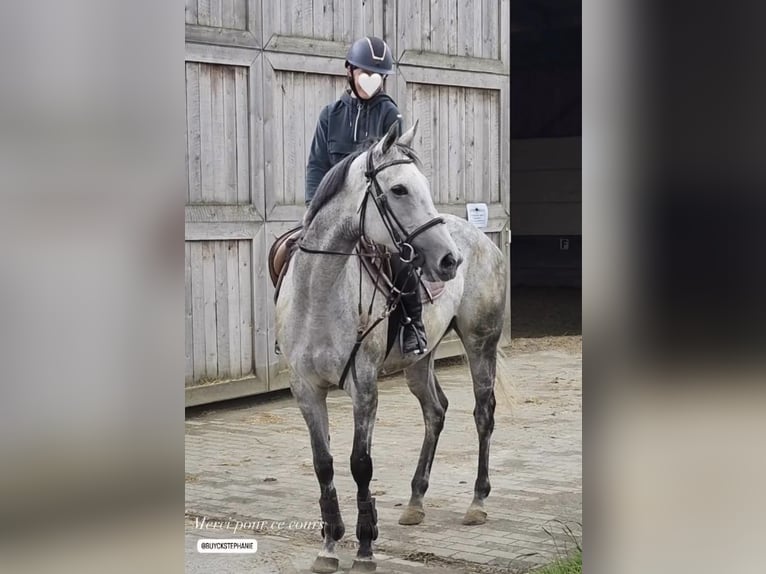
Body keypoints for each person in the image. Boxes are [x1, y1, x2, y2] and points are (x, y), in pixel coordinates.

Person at [304, 36, 428, 356]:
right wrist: (314, 209)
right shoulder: (329, 116)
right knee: (287, 253)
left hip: (375, 210)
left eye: (378, 75)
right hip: (336, 211)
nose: (371, 81)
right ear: (350, 72)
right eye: (364, 73)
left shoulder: (391, 115)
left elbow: (396, 169)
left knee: (401, 257)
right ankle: (295, 324)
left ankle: (413, 322)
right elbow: (317, 165)